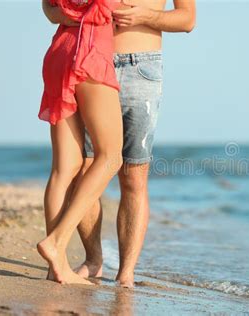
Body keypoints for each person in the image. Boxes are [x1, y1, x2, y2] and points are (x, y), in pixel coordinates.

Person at [42, 0, 196, 287]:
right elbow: (49, 7)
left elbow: (187, 19)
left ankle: (126, 274)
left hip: (141, 65)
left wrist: (146, 15)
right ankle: (92, 260)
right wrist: (77, 16)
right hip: (87, 56)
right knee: (85, 166)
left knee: (133, 176)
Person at [37, 0, 124, 285]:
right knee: (111, 156)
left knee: (65, 168)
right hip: (90, 53)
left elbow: (50, 8)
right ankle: (57, 242)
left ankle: (57, 268)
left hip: (60, 52)